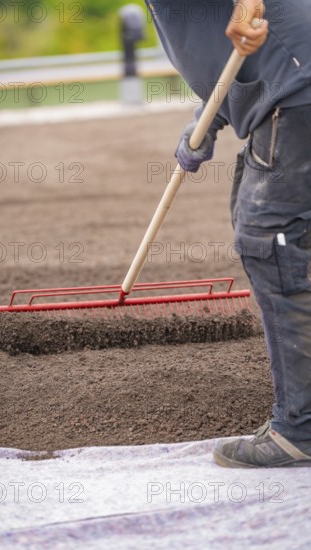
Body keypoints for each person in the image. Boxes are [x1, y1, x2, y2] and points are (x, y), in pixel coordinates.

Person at [146, 0, 311, 467]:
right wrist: (207, 121)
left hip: (298, 93)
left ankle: (299, 428)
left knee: (269, 241)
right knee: (262, 224)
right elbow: (231, 67)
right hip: (291, 91)